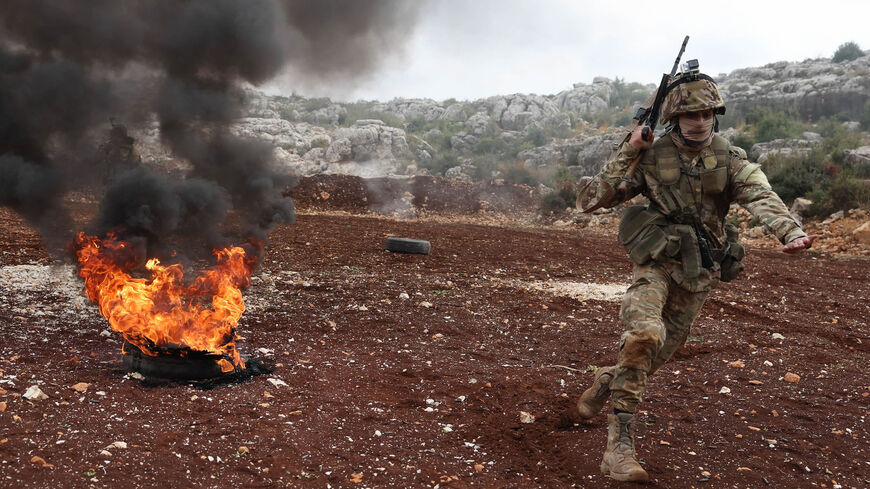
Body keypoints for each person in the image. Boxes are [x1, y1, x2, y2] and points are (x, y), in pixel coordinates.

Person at [574, 67, 817, 482]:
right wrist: (628, 149)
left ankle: (608, 380)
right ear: (674, 118)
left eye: (708, 114)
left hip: (698, 271)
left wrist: (789, 230)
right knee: (644, 336)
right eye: (692, 114)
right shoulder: (649, 155)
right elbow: (590, 200)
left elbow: (761, 194)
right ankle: (619, 445)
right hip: (655, 263)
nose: (701, 121)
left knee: (654, 356)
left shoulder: (728, 158)